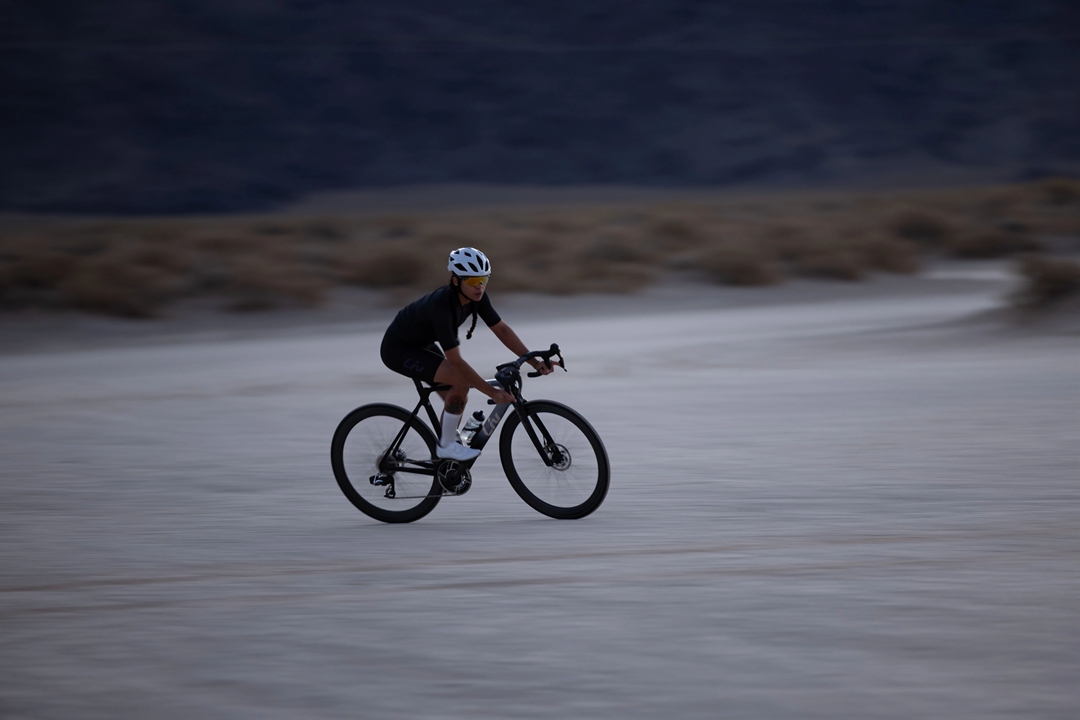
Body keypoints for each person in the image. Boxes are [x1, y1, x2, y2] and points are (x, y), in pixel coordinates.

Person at [380, 247, 552, 461]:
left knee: (458, 396)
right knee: (459, 380)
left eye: (483, 280)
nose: (479, 287)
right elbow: (456, 361)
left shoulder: (477, 297)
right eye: (472, 281)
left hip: (421, 344)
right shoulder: (441, 307)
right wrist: (491, 392)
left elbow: (502, 330)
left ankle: (445, 456)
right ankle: (446, 447)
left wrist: (534, 362)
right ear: (456, 282)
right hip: (398, 349)